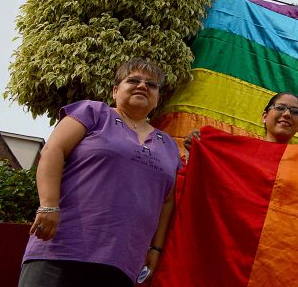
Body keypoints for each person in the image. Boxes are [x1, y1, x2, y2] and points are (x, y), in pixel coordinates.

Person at [18, 59, 182, 287]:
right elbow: (53, 150)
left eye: (151, 85)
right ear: (115, 91)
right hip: (61, 248)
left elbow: (167, 202)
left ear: (157, 99)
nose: (142, 86)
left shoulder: (169, 146)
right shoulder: (93, 112)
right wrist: (48, 204)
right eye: (133, 80)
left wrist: (155, 248)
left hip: (123, 261)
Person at [183, 92, 298, 151]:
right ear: (264, 116)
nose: (287, 114)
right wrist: (198, 153)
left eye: (294, 111)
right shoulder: (239, 152)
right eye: (280, 108)